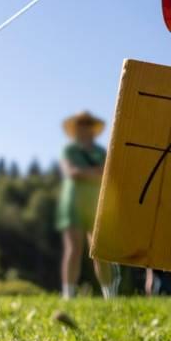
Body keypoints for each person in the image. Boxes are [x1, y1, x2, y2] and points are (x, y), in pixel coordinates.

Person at [56, 110, 118, 299]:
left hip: (97, 204)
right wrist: (95, 173)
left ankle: (110, 296)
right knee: (73, 249)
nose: (84, 129)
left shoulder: (101, 152)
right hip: (72, 203)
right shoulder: (69, 150)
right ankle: (68, 294)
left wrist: (87, 173)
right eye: (81, 125)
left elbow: (109, 174)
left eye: (87, 125)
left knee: (99, 251)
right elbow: (72, 172)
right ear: (75, 129)